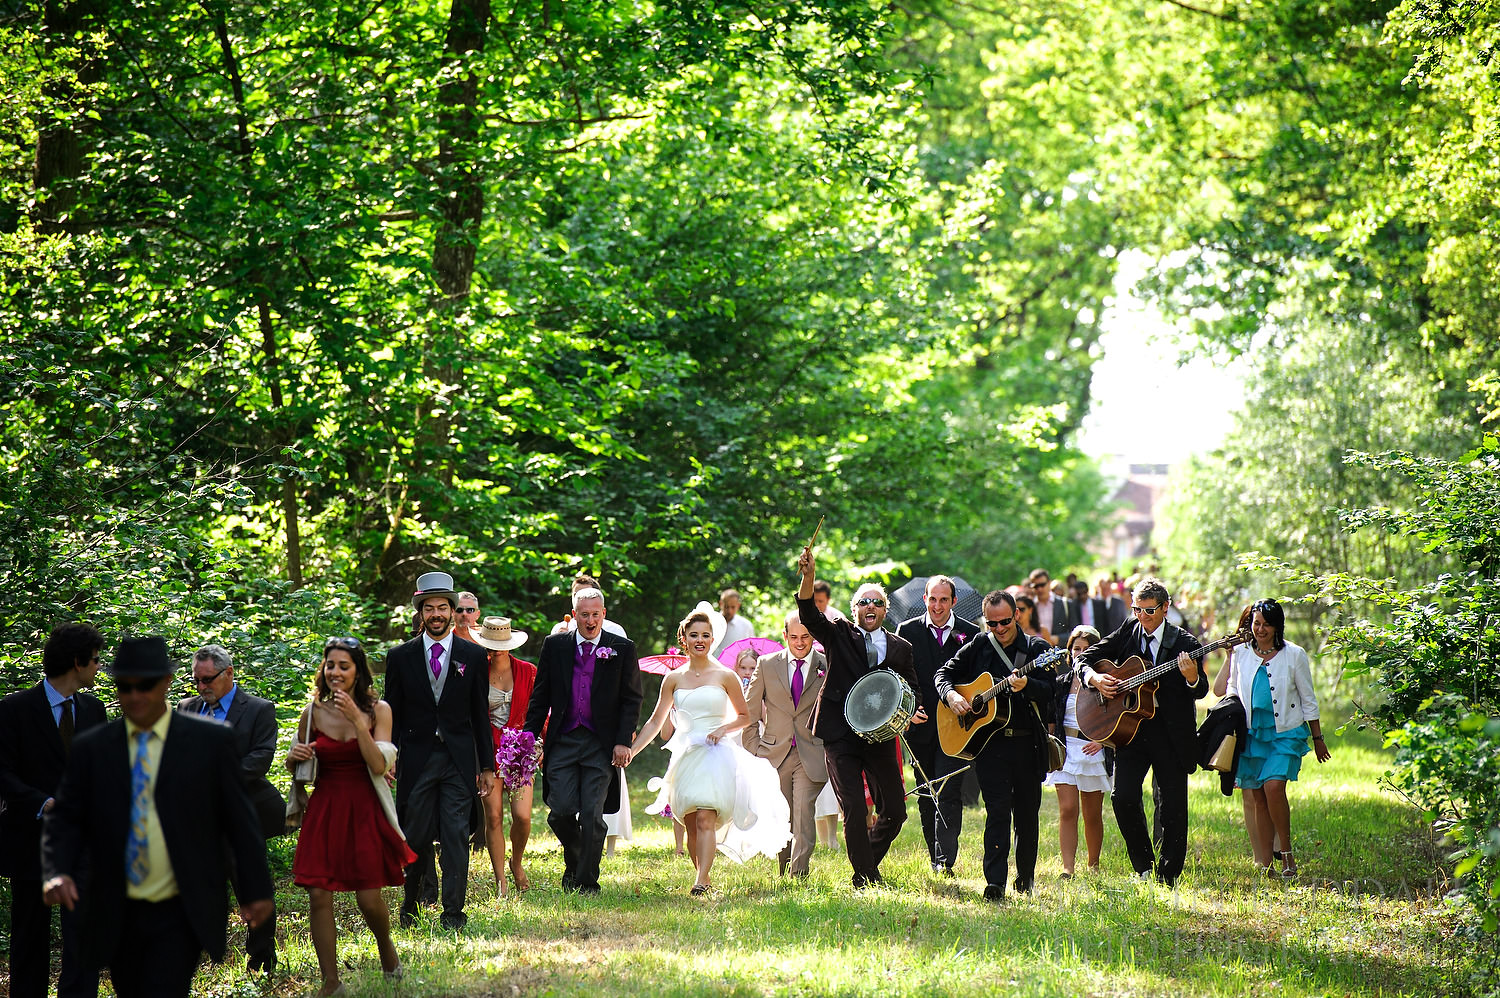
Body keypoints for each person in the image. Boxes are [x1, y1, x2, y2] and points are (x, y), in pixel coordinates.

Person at [41, 636, 272, 998]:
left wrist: (256, 890)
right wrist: (57, 870)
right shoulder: (95, 747)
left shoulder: (209, 742)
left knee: (166, 986)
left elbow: (240, 821)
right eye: (125, 687)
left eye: (145, 685)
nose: (135, 696)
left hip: (180, 903)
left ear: (165, 682)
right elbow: (67, 817)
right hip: (116, 903)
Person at [633, 608, 790, 893]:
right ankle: (702, 875)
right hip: (686, 755)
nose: (700, 640)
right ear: (684, 639)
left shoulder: (726, 676)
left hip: (716, 755)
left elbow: (745, 716)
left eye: (705, 635)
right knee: (692, 822)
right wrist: (632, 751)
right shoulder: (674, 679)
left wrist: (722, 729)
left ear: (712, 639)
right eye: (694, 635)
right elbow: (655, 721)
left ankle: (701, 880)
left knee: (707, 816)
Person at [287, 637, 412, 996]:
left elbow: (378, 765)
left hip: (364, 809)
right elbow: (300, 768)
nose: (335, 672)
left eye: (344, 666)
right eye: (330, 665)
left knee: (368, 899)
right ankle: (331, 981)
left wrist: (358, 722)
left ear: (358, 671)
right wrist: (293, 758)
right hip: (325, 809)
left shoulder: (379, 710)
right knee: (318, 894)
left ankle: (387, 953)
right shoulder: (312, 712)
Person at [796, 543, 917, 887]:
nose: (870, 606)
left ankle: (866, 863)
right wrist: (809, 576)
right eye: (864, 601)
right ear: (854, 609)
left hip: (880, 737)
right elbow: (809, 614)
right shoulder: (838, 634)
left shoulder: (900, 647)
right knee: (854, 808)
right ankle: (865, 877)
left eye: (877, 602)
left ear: (885, 610)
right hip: (840, 734)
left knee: (895, 811)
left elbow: (912, 686)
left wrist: (914, 711)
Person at [1075, 577, 1207, 887]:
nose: (1142, 617)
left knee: (1172, 805)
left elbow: (1200, 689)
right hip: (1130, 728)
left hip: (1170, 732)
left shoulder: (1185, 643)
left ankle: (1168, 873)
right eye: (1137, 610)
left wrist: (1191, 677)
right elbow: (1084, 658)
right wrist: (1094, 678)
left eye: (1149, 611)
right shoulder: (1128, 630)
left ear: (1165, 608)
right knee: (1122, 797)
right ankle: (1144, 866)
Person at [0, 622, 107, 998]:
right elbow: (2, 772)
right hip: (31, 841)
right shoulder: (14, 709)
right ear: (77, 662)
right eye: (95, 659)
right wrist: (43, 803)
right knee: (30, 935)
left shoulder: (94, 710)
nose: (99, 666)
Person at [383, 570, 494, 930]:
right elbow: (391, 712)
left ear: (451, 611)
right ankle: (411, 904)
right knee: (415, 836)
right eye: (429, 608)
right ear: (421, 613)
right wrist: (388, 756)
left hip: (457, 759)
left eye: (442, 608)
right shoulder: (400, 656)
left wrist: (487, 766)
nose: (436, 614)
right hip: (416, 758)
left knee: (455, 835)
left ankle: (453, 913)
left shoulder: (473, 656)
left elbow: (479, 714)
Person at [524, 584, 643, 894]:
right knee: (560, 812)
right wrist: (529, 735)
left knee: (592, 814)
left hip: (600, 744)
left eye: (595, 615)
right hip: (563, 740)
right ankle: (577, 861)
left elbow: (632, 699)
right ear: (574, 615)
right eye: (584, 615)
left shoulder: (622, 648)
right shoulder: (555, 645)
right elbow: (540, 696)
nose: (590, 621)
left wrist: (623, 740)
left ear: (604, 614)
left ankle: (586, 882)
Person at [934, 591, 1053, 900]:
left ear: (1017, 616)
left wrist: (1028, 685)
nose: (999, 629)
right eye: (992, 623)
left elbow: (1052, 691)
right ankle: (995, 883)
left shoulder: (1037, 650)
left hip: (1027, 745)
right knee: (997, 813)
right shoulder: (979, 645)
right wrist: (952, 695)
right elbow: (943, 674)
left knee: (1026, 816)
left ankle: (1025, 878)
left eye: (1005, 622)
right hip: (991, 746)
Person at [176, 644, 285, 972]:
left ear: (229, 673)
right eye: (196, 680)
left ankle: (261, 959)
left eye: (207, 679)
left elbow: (261, 757)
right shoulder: (186, 708)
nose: (201, 687)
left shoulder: (258, 709)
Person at [1222, 598, 1330, 878]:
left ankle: (1287, 853)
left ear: (1277, 627)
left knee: (1273, 787)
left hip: (1285, 733)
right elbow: (1232, 687)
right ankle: (1266, 862)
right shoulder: (1241, 653)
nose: (1260, 630)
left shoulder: (1294, 655)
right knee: (1258, 796)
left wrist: (1318, 738)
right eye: (1256, 623)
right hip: (1252, 734)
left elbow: (1308, 699)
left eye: (1267, 625)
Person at [895, 575, 977, 875]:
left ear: (954, 601)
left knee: (949, 790)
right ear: (925, 599)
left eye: (944, 600)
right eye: (933, 599)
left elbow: (976, 678)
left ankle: (945, 860)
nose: (938, 606)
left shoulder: (971, 633)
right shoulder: (907, 631)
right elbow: (898, 678)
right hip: (920, 726)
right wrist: (907, 712)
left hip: (957, 725)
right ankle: (934, 856)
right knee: (927, 793)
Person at [743, 612, 829, 877]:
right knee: (782, 815)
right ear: (785, 636)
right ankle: (784, 869)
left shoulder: (826, 665)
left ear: (813, 636)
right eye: (794, 637)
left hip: (810, 752)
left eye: (805, 636)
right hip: (773, 753)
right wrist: (755, 749)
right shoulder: (767, 665)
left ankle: (798, 874)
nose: (800, 642)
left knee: (803, 812)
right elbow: (749, 712)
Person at [466, 616, 537, 895]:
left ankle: (516, 862)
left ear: (509, 644)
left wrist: (539, 741)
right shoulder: (476, 672)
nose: (495, 651)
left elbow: (539, 709)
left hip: (520, 752)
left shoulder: (527, 671)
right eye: (491, 646)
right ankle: (501, 881)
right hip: (488, 751)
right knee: (493, 817)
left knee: (522, 817)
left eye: (500, 645)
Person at [1047, 625, 1111, 878]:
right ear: (1070, 652)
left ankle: (1093, 865)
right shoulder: (1061, 683)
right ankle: (1068, 868)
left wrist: (1103, 742)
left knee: (1092, 814)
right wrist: (1052, 743)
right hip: (1066, 750)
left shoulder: (1103, 682)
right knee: (1067, 808)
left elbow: (1116, 717)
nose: (1080, 653)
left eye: (1087, 649)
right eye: (1076, 648)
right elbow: (1052, 719)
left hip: (1092, 750)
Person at [1027, 568, 1072, 644]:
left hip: (1060, 649)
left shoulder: (1065, 604)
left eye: (1042, 585)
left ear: (1049, 583)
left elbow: (1076, 632)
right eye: (1036, 586)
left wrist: (1058, 639)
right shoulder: (1030, 607)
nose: (1039, 589)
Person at [713, 588, 755, 657]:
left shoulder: (746, 626)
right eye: (726, 607)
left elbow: (751, 650)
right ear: (720, 604)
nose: (729, 611)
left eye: (733, 607)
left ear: (738, 606)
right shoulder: (711, 622)